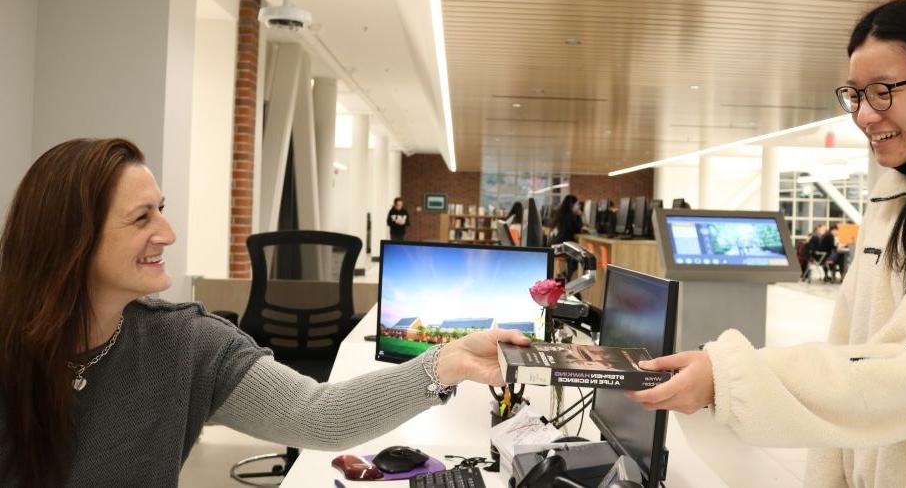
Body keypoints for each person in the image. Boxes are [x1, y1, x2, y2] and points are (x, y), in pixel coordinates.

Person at [627, 0, 906, 485]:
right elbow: (852, 346)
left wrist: (727, 378)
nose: (865, 115)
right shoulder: (896, 197)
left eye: (883, 91)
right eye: (854, 95)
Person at [0, 139, 531, 487]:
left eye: (162, 210)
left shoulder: (185, 343)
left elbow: (319, 415)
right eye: (142, 217)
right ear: (73, 238)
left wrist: (451, 360)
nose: (167, 233)